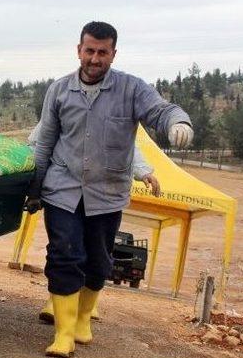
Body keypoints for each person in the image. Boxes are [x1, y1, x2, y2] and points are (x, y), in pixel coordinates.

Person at [25, 21, 193, 358]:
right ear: (79, 50)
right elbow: (44, 143)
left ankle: (84, 317)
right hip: (63, 188)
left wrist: (179, 122)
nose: (95, 58)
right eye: (90, 50)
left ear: (113, 54)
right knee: (63, 255)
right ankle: (64, 334)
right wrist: (34, 188)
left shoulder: (132, 90)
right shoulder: (59, 91)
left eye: (103, 52)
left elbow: (160, 110)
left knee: (99, 262)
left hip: (107, 193)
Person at [29, 122, 161, 325]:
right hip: (64, 191)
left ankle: (84, 309)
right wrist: (33, 181)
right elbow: (40, 142)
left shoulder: (116, 110)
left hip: (103, 195)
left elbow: (127, 147)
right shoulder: (63, 100)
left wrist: (143, 172)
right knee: (65, 250)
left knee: (96, 255)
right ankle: (57, 304)